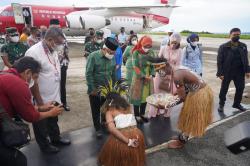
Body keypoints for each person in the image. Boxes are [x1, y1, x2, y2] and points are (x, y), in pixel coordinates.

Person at [0, 56, 63, 166]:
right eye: (34, 77)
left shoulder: (6, 75)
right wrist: (51, 113)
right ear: (27, 72)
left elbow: (21, 107)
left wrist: (40, 107)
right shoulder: (18, 84)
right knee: (18, 161)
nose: (34, 81)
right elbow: (31, 117)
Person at [25, 27, 71, 153]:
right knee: (41, 122)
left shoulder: (52, 50)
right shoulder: (33, 53)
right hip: (41, 98)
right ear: (50, 40)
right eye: (59, 43)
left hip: (54, 95)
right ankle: (45, 145)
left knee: (53, 119)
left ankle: (55, 138)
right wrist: (40, 102)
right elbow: (32, 81)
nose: (60, 46)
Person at [153, 60, 214, 149]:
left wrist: (166, 105)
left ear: (165, 67)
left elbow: (182, 98)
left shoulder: (177, 76)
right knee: (187, 116)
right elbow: (185, 87)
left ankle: (181, 142)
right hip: (200, 91)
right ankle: (182, 136)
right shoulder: (177, 68)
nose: (159, 73)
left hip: (199, 95)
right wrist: (177, 95)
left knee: (189, 117)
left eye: (159, 70)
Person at [98, 90, 145, 166]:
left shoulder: (109, 111)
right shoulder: (128, 107)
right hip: (137, 134)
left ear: (108, 101)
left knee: (119, 158)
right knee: (134, 158)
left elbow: (112, 129)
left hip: (124, 137)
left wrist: (128, 141)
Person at [86, 37, 119, 138]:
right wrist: (92, 89)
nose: (112, 55)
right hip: (95, 90)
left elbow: (113, 74)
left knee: (105, 109)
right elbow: (89, 74)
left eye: (113, 53)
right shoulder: (93, 56)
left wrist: (114, 87)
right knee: (95, 110)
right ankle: (97, 129)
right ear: (104, 49)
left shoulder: (112, 58)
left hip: (107, 90)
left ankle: (104, 123)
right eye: (110, 52)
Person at [149, 32, 182, 118]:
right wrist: (160, 70)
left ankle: (167, 112)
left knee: (169, 94)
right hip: (160, 74)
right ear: (169, 41)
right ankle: (155, 112)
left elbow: (178, 65)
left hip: (171, 75)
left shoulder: (180, 51)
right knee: (157, 93)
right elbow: (157, 60)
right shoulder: (163, 48)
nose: (173, 44)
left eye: (176, 43)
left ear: (179, 43)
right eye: (172, 42)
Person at [217, 28, 250, 112]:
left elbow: (245, 59)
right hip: (227, 71)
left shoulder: (243, 46)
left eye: (238, 35)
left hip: (240, 72)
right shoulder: (223, 47)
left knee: (240, 88)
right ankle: (221, 104)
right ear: (230, 35)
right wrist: (220, 73)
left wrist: (247, 71)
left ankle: (237, 104)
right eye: (234, 35)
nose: (236, 36)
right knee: (224, 89)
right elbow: (219, 61)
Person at [130, 36, 155, 123]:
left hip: (148, 78)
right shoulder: (136, 53)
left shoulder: (151, 53)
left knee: (145, 97)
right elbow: (135, 66)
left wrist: (152, 74)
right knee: (137, 97)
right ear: (141, 44)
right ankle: (137, 115)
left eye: (149, 47)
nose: (147, 49)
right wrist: (143, 76)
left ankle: (142, 113)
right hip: (138, 78)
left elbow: (153, 65)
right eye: (145, 46)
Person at [49, 19, 70, 111]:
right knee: (52, 85)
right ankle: (54, 105)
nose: (57, 29)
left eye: (58, 27)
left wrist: (66, 62)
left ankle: (63, 103)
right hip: (51, 66)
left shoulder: (63, 35)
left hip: (62, 65)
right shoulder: (47, 36)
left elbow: (66, 49)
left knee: (62, 85)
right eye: (55, 27)